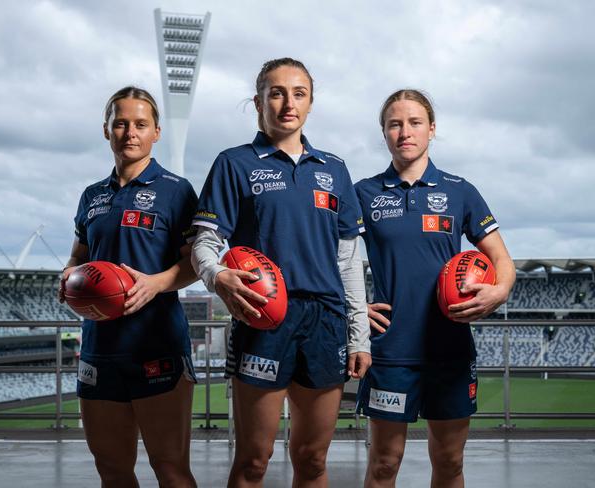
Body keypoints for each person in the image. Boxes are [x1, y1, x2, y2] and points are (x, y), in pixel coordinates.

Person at [191, 57, 372, 487]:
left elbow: (348, 263)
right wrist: (216, 276)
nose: (287, 103)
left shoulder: (335, 168)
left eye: (298, 93)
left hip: (325, 322)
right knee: (254, 460)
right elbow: (205, 242)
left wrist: (358, 334)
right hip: (262, 319)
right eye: (276, 93)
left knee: (312, 460)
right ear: (258, 102)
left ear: (311, 103)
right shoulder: (234, 163)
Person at [354, 89, 516, 488]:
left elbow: (502, 261)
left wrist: (499, 291)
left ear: (431, 129)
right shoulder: (363, 193)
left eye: (413, 122)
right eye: (394, 124)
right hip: (390, 350)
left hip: (449, 349)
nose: (404, 131)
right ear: (384, 133)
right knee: (384, 464)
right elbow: (333, 258)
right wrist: (353, 309)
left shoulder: (460, 191)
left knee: (449, 462)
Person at [58, 86, 199, 487]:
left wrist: (155, 284)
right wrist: (68, 276)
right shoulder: (92, 196)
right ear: (107, 130)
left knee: (170, 469)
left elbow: (195, 264)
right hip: (99, 349)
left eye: (140, 124)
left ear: (157, 131)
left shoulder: (177, 190)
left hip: (158, 346)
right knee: (113, 470)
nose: (130, 132)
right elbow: (77, 257)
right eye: (120, 123)